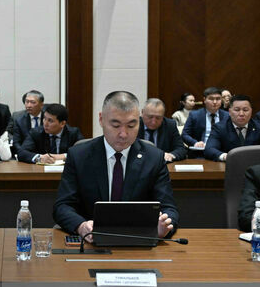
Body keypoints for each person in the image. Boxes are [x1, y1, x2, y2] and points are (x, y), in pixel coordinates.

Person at [53, 91, 178, 240]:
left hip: (139, 239)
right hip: (91, 240)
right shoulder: (79, 155)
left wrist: (163, 227)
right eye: (116, 125)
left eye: (131, 125)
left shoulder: (154, 158)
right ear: (101, 119)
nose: (123, 134)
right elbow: (62, 206)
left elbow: (169, 208)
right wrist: (81, 226)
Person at [205, 94, 260, 161]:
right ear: (230, 112)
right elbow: (209, 149)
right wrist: (225, 156)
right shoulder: (220, 128)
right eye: (237, 110)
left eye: (245, 110)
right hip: (229, 165)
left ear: (251, 111)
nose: (241, 114)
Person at [18, 103, 84, 164]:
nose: (45, 123)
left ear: (62, 123)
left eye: (50, 121)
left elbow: (83, 152)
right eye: (44, 118)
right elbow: (21, 153)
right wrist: (39, 158)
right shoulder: (36, 133)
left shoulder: (73, 133)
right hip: (41, 171)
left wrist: (64, 156)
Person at [181, 87, 229, 155]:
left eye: (218, 99)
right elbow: (184, 134)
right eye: (211, 99)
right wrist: (195, 143)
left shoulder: (227, 116)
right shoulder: (195, 115)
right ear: (204, 100)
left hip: (221, 152)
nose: (215, 102)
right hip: (200, 153)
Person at [8, 90, 45, 158]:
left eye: (33, 102)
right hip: (26, 155)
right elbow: (16, 142)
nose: (29, 105)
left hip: (45, 155)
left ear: (41, 105)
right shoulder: (19, 119)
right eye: (27, 102)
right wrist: (24, 154)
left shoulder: (47, 117)